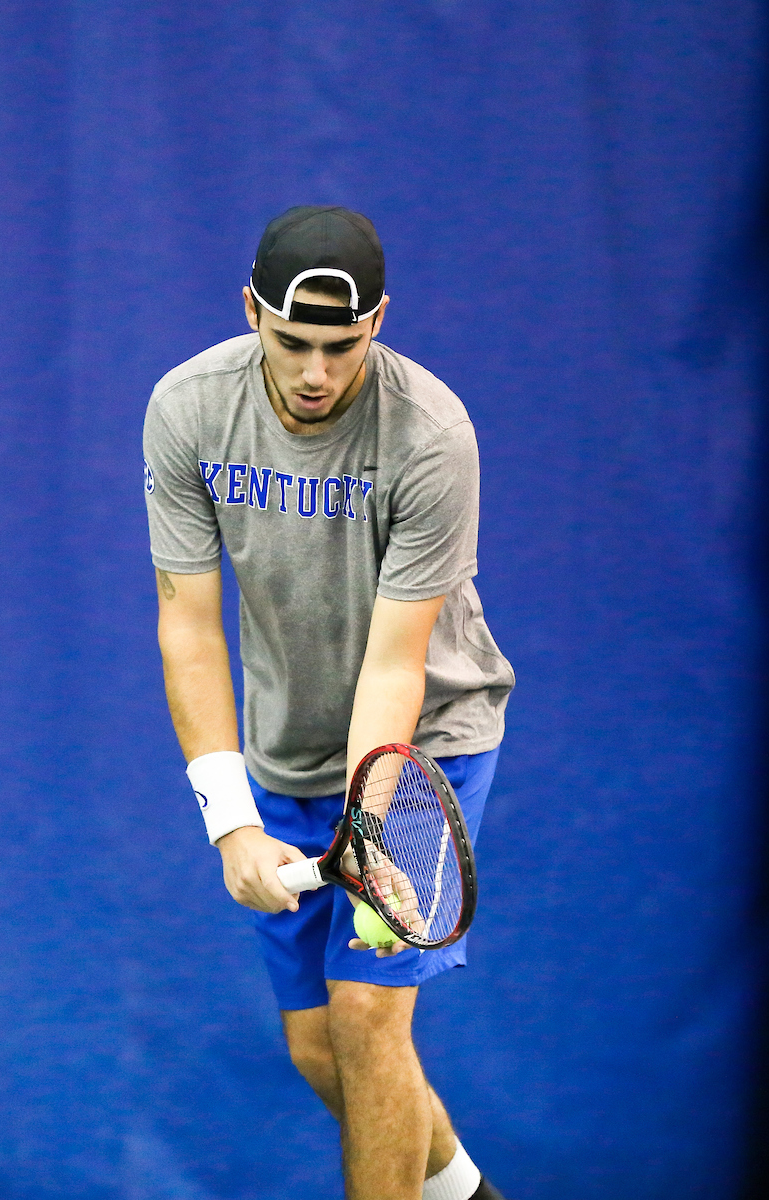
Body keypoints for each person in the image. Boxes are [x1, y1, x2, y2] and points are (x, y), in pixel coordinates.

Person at [143, 206, 514, 1200]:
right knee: (318, 1047)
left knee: (365, 1017)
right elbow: (188, 624)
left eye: (341, 346)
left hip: (421, 749)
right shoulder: (188, 408)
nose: (316, 372)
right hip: (284, 751)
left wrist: (368, 824)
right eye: (293, 341)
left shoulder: (431, 434)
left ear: (378, 323)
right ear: (250, 311)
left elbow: (396, 663)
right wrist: (231, 822)